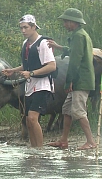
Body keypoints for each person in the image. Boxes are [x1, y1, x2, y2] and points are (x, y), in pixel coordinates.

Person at [2, 14, 56, 147]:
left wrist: (31, 73)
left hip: (43, 85)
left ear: (33, 27)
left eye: (25, 27)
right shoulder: (25, 44)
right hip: (30, 86)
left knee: (32, 117)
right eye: (21, 28)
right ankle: (34, 149)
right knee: (28, 119)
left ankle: (40, 149)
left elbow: (51, 65)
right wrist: (13, 70)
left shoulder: (43, 43)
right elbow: (28, 64)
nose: (23, 31)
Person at [47, 8, 97, 150]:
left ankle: (91, 142)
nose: (64, 24)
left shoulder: (79, 36)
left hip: (80, 80)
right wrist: (59, 47)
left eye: (66, 22)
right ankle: (63, 140)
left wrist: (69, 81)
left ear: (73, 22)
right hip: (79, 79)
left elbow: (75, 61)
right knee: (67, 109)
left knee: (78, 111)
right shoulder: (79, 34)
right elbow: (73, 51)